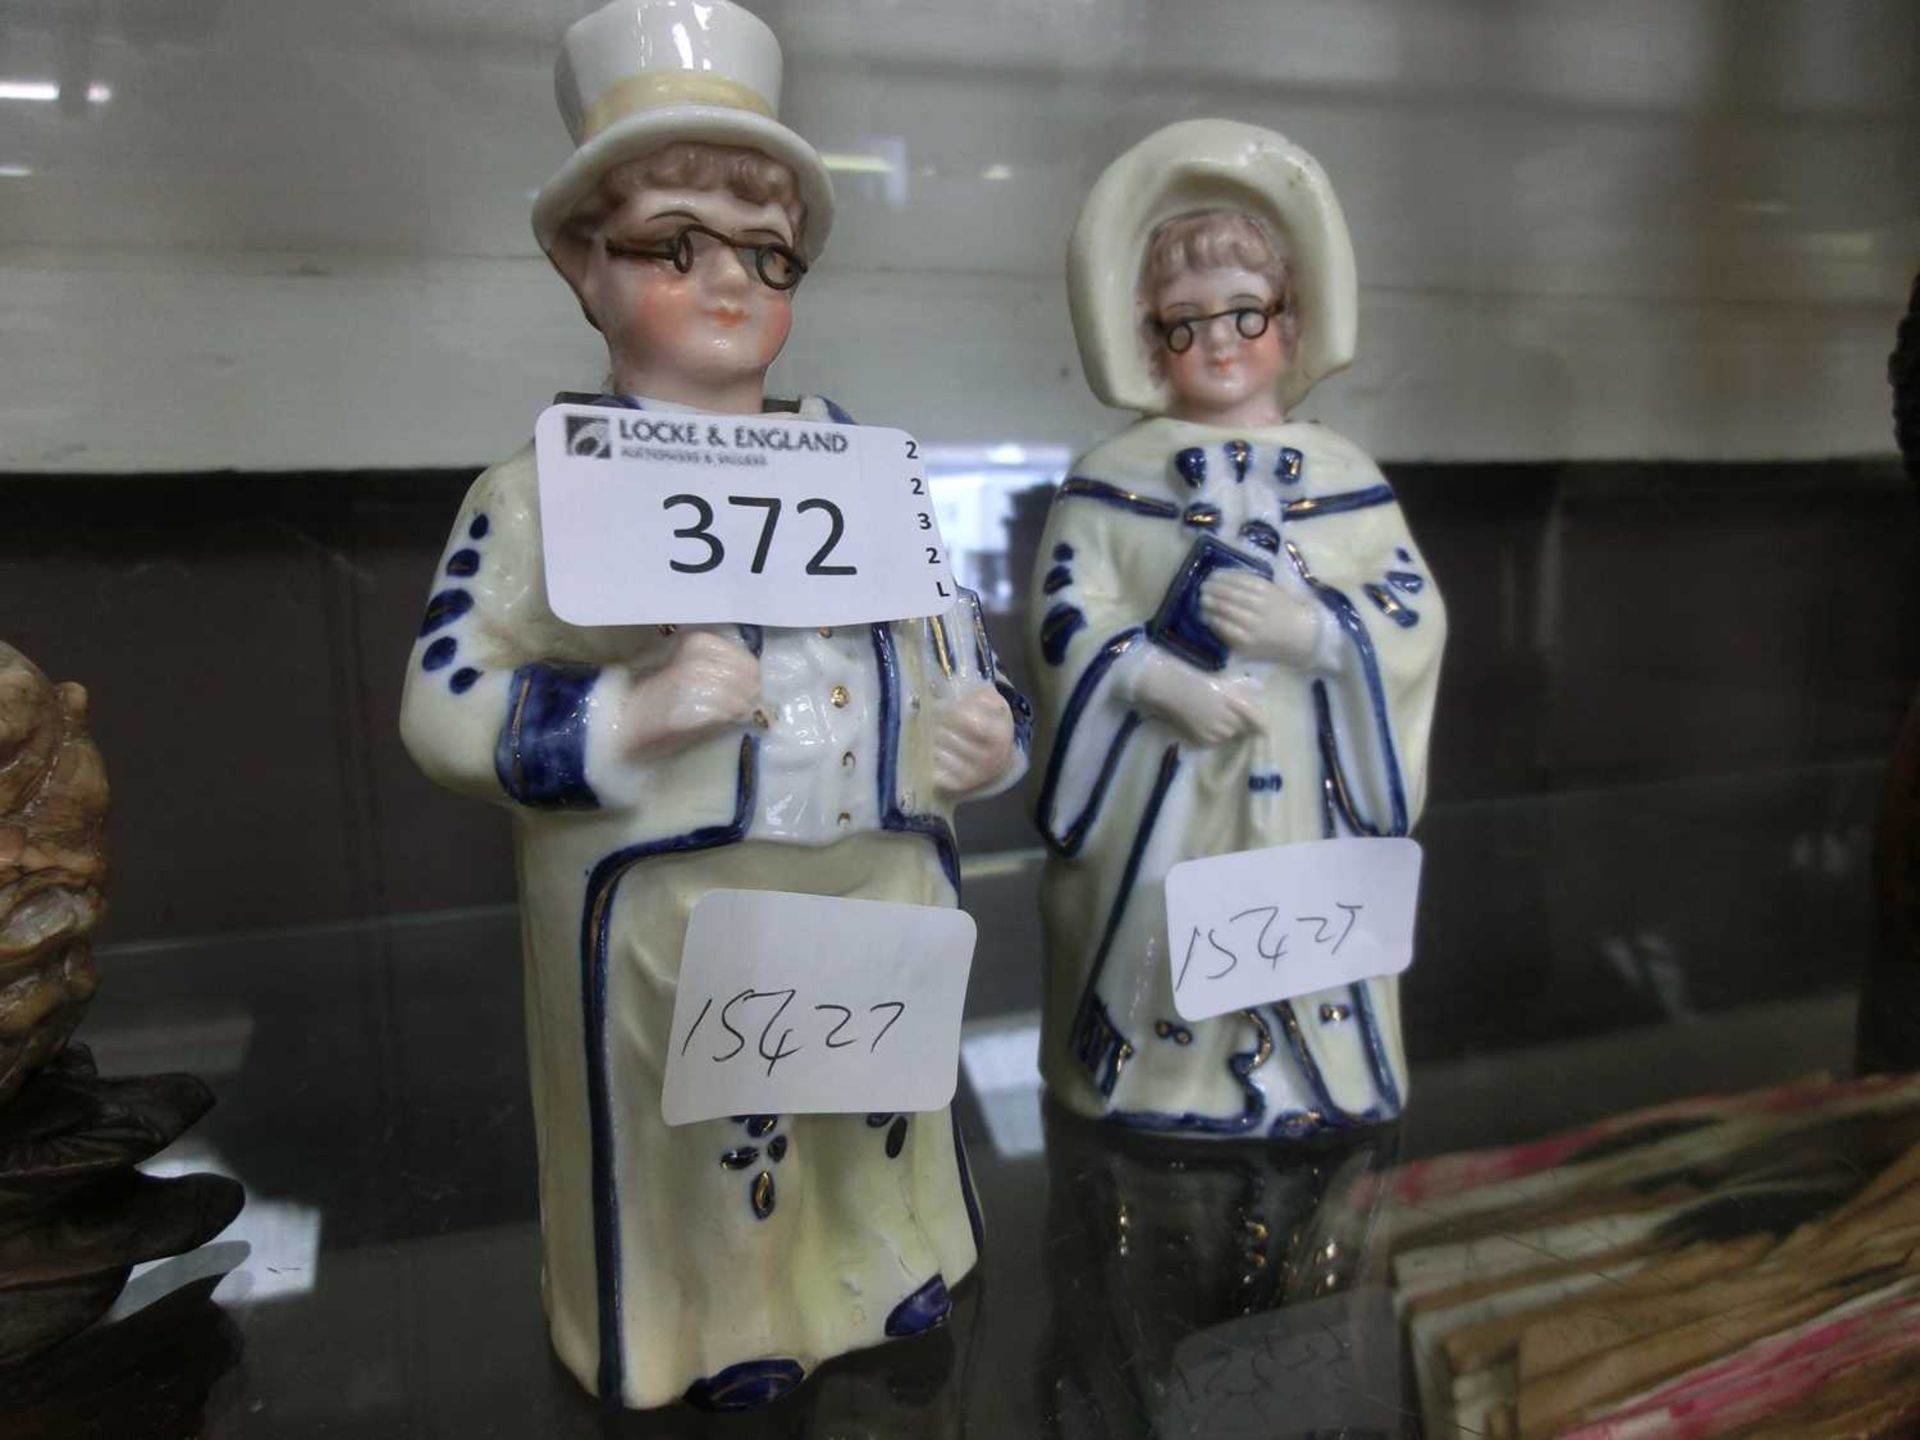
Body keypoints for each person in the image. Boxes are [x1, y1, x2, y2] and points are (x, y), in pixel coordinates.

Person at [399, 0, 1025, 1411]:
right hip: (682, 896)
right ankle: (728, 1324)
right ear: (587, 269)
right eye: (673, 246)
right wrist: (628, 716)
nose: (727, 284)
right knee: (719, 1129)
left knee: (875, 1101)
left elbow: (952, 640)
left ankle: (884, 1267)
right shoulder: (541, 494)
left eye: (764, 253)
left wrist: (979, 728)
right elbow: (447, 704)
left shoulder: (868, 474)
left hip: (871, 861)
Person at [1029, 120, 1446, 1140]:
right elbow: (1063, 617)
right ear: (1145, 336)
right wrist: (1146, 681)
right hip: (1167, 796)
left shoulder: (1346, 479)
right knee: (1165, 928)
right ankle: (1164, 1078)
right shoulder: (1107, 484)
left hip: (1306, 787)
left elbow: (1411, 610)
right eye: (1182, 323)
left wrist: (1317, 637)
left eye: (1243, 315)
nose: (1215, 341)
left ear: (1293, 324)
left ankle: (1320, 1074)